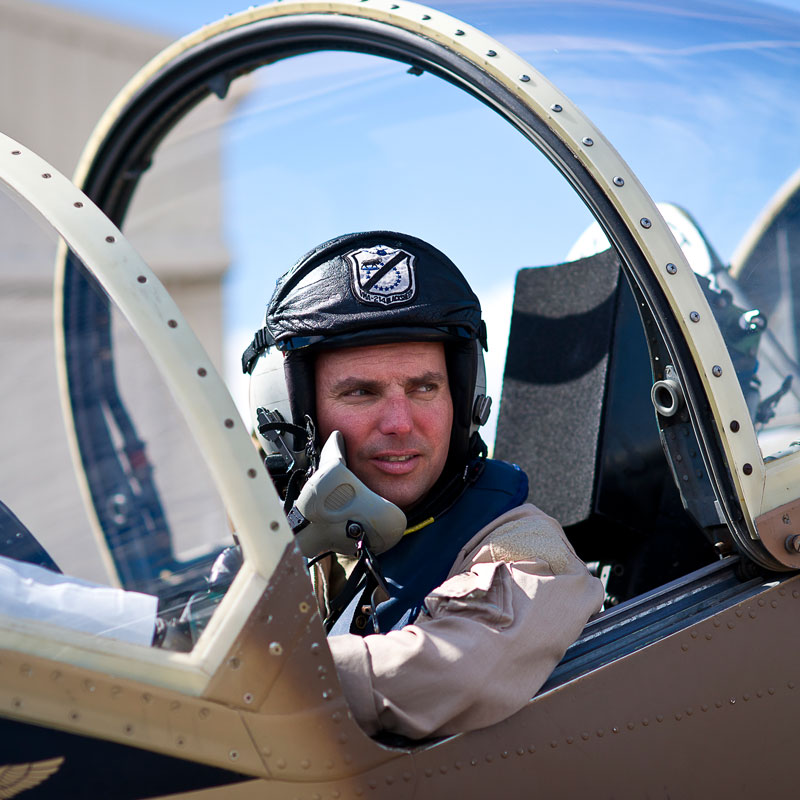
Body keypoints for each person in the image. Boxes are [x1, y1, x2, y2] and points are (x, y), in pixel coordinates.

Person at [242, 231, 604, 740]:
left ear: (463, 398)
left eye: (424, 388)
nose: (399, 423)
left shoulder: (525, 551)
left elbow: (451, 668)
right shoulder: (312, 546)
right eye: (361, 392)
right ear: (293, 414)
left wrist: (252, 673)